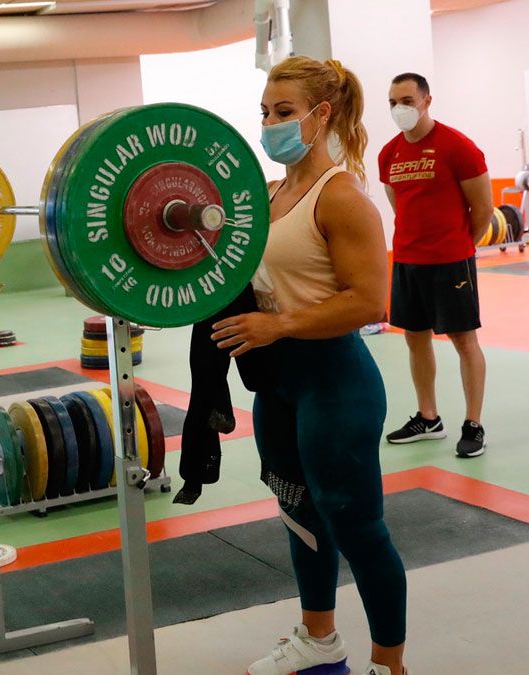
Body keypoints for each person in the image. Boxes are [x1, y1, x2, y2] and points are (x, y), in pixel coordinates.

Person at [211, 57, 407, 675]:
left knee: (357, 526)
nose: (270, 124)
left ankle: (389, 664)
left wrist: (282, 323)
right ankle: (319, 641)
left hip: (336, 384)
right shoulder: (267, 195)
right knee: (298, 514)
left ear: (322, 116)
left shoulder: (342, 197)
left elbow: (370, 300)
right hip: (278, 385)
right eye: (265, 113)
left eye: (284, 112)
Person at [380, 73, 492, 458]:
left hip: (451, 263)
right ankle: (429, 418)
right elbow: (401, 206)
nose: (400, 109)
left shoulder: (458, 147)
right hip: (408, 261)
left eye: (408, 100)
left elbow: (484, 209)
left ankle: (473, 424)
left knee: (464, 340)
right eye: (394, 102)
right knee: (414, 337)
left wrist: (459, 246)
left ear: (427, 101)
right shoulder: (388, 153)